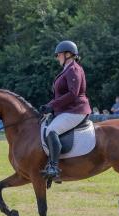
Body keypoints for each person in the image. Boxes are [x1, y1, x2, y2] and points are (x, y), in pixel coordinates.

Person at [39, 40, 91, 182]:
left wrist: (53, 105)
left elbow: (73, 94)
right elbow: (60, 95)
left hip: (76, 110)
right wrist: (48, 105)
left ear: (68, 54)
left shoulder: (73, 69)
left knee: (51, 131)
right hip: (67, 110)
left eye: (59, 55)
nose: (57, 57)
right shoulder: (67, 69)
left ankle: (54, 167)